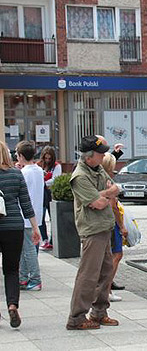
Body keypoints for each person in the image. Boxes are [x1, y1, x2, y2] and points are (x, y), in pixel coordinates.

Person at [66, 135, 120, 330]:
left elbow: (115, 188)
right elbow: (97, 203)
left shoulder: (97, 169)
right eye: (100, 153)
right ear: (89, 156)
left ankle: (98, 312)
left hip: (104, 226)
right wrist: (106, 194)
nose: (104, 156)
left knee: (106, 272)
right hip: (92, 229)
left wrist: (105, 193)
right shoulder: (80, 176)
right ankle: (76, 317)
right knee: (88, 275)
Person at [0, 141, 41, 328]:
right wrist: (35, 228)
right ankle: (12, 305)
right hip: (14, 227)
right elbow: (26, 204)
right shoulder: (16, 174)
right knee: (11, 270)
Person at [16, 141, 44, 291]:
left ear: (20, 156)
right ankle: (23, 278)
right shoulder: (39, 170)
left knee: (28, 250)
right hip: (36, 215)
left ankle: (34, 279)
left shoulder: (23, 173)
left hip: (25, 215)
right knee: (28, 248)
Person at [101, 153, 128, 302]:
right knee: (116, 255)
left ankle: (106, 289)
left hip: (104, 224)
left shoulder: (99, 178)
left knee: (109, 257)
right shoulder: (108, 182)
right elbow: (113, 207)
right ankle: (107, 289)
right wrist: (122, 226)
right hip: (111, 224)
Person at [37, 146, 62, 251]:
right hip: (41, 194)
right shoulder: (39, 165)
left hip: (51, 194)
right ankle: (45, 239)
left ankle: (52, 240)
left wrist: (43, 182)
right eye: (46, 158)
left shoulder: (56, 166)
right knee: (41, 218)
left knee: (53, 218)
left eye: (49, 158)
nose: (47, 160)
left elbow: (55, 179)